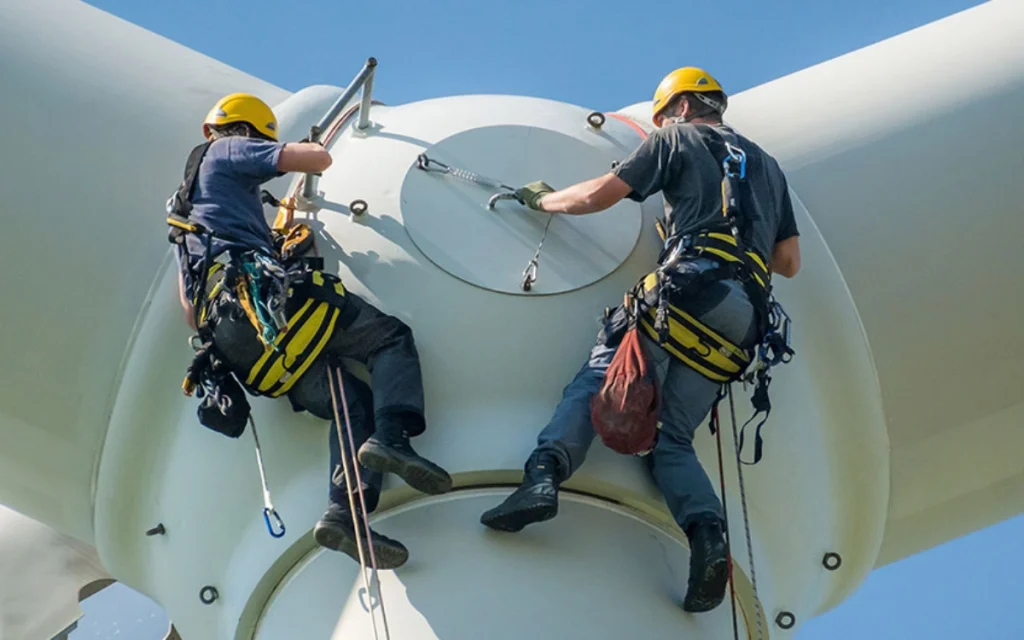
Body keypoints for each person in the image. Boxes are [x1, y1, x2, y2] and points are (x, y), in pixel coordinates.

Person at [479, 68, 801, 612]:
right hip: (744, 320)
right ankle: (708, 538)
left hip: (688, 287)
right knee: (671, 439)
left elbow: (599, 197)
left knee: (599, 380)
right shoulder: (767, 167)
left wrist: (543, 202)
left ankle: (542, 478)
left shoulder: (676, 138)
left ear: (677, 108)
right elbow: (788, 262)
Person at [171, 93, 452, 569]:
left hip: (237, 340)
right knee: (388, 339)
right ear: (248, 131)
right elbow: (314, 158)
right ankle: (393, 438)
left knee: (349, 401)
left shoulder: (183, 213)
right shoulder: (228, 150)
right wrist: (303, 148)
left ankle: (344, 515)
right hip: (265, 303)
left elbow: (188, 311)